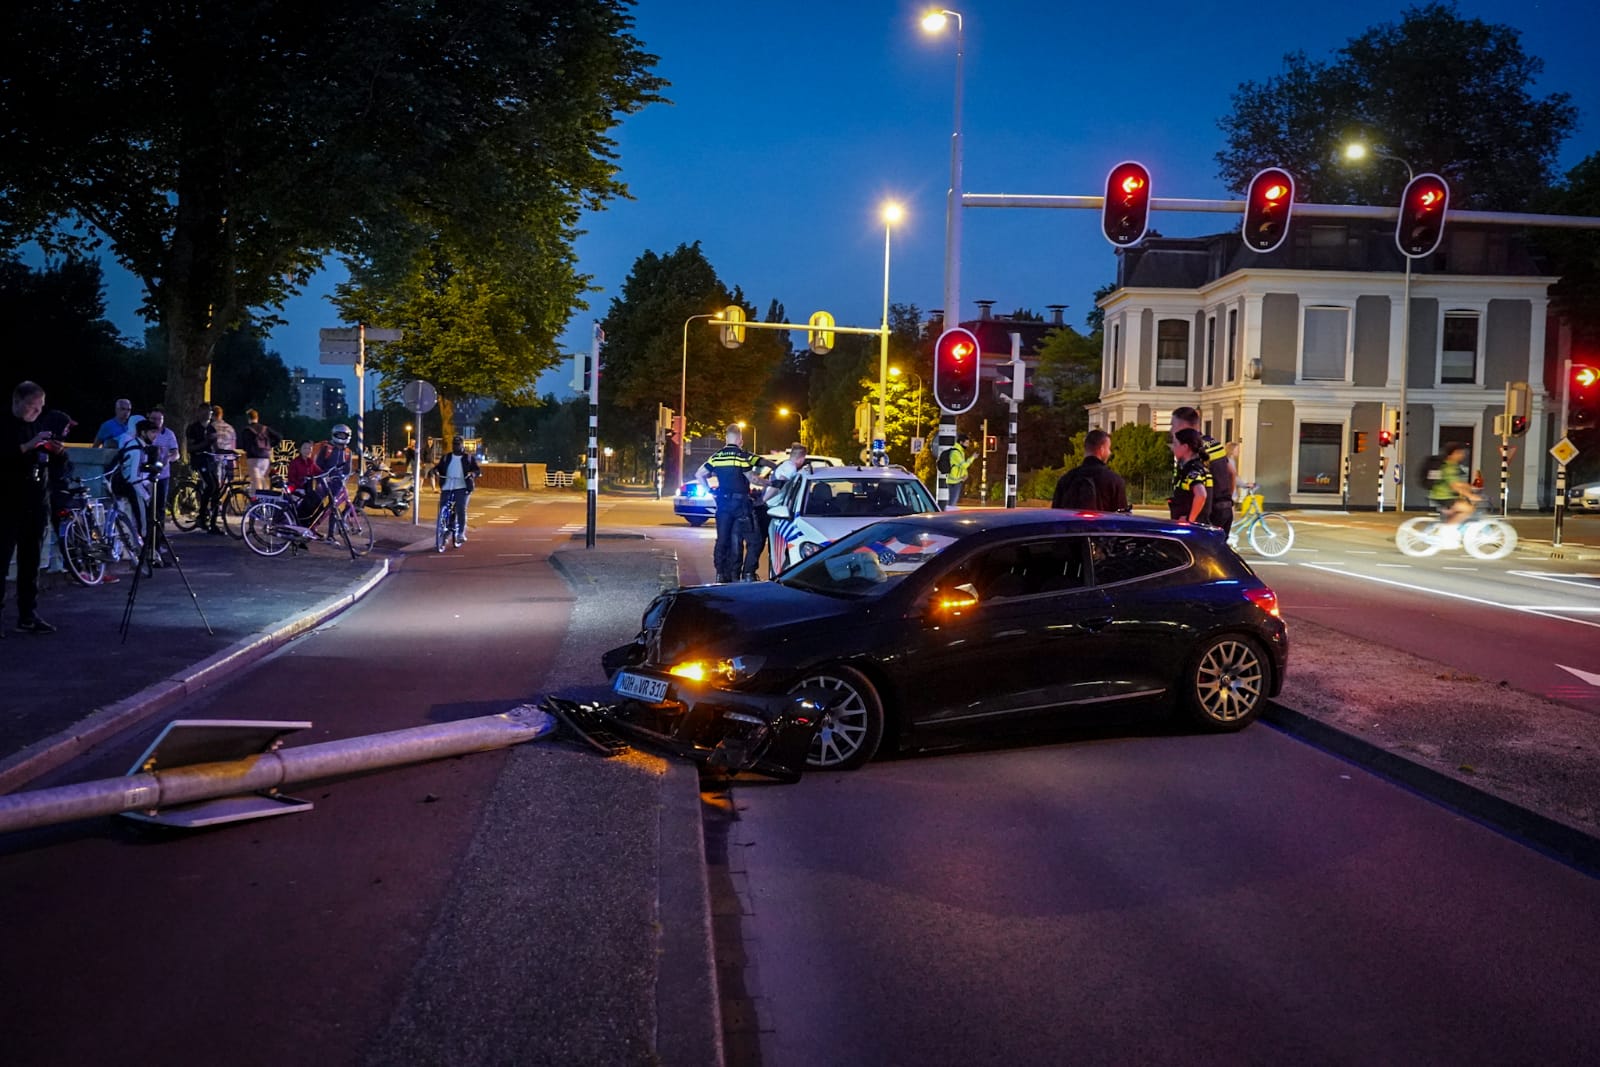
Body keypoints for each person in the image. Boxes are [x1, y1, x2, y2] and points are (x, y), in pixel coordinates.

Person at [3, 381, 57, 635]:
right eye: (32, 407)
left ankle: (28, 613)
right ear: (17, 402)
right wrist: (30, 445)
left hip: (36, 501)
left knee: (31, 560)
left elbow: (47, 460)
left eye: (40, 407)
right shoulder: (8, 426)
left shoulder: (37, 425)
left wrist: (56, 452)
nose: (37, 412)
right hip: (10, 502)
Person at [696, 424, 772, 582]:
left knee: (724, 539)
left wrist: (710, 491)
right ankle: (748, 573)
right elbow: (753, 478)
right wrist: (772, 484)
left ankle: (722, 574)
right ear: (740, 439)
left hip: (723, 505)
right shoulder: (740, 456)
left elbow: (700, 474)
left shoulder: (717, 456)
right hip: (741, 505)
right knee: (754, 539)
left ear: (726, 438)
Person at [1170, 407, 1235, 534]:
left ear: (1183, 425)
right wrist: (1227, 500)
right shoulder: (1214, 443)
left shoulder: (1194, 449)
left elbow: (1200, 493)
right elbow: (1231, 472)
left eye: (1173, 425)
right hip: (1225, 508)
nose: (1171, 429)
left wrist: (1190, 519)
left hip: (1208, 513)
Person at [1052, 429, 1129, 512]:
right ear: (1102, 449)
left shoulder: (1066, 479)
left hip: (1071, 524)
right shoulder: (1115, 481)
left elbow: (1056, 515)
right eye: (1109, 448)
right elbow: (1122, 518)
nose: (1110, 452)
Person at [432, 434, 480, 547]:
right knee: (443, 508)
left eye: (458, 444)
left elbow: (477, 470)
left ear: (462, 445)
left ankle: (460, 533)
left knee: (460, 508)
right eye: (454, 444)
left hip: (462, 486)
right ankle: (445, 534)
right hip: (447, 485)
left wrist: (472, 474)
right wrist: (434, 470)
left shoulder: (468, 458)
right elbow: (439, 467)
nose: (455, 447)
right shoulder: (446, 457)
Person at [185, 406, 223, 533]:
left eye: (210, 412)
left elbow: (216, 447)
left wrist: (228, 452)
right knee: (211, 485)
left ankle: (213, 523)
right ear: (199, 412)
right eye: (205, 412)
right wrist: (205, 443)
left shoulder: (211, 428)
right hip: (199, 460)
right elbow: (190, 448)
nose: (207, 415)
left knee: (217, 488)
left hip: (210, 461)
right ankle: (201, 516)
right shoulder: (193, 428)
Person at [145, 407, 180, 532]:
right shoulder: (145, 433)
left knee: (160, 507)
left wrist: (167, 459)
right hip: (146, 476)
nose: (155, 421)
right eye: (152, 418)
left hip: (162, 476)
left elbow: (176, 453)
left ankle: (159, 538)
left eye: (158, 419)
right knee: (147, 507)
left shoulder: (169, 434)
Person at [1169, 427, 1213, 525]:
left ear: (1185, 447)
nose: (1173, 447)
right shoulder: (1200, 466)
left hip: (1193, 529)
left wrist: (1190, 520)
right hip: (1199, 526)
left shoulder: (1192, 469)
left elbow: (1201, 495)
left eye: (1175, 444)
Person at [1431, 443, 1479, 527]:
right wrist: (1470, 495)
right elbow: (1454, 485)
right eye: (1460, 453)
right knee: (1469, 509)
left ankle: (1450, 526)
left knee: (1457, 511)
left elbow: (1457, 482)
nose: (1463, 455)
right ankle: (1448, 530)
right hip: (1444, 497)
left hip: (1443, 496)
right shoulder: (1449, 467)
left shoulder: (1452, 465)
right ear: (1453, 454)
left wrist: (1470, 487)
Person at [239, 409, 282, 491]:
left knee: (256, 480)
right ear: (257, 418)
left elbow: (243, 445)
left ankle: (257, 500)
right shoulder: (265, 428)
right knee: (263, 479)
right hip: (265, 458)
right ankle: (265, 500)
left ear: (248, 418)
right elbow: (279, 437)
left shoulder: (247, 430)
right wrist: (269, 446)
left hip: (253, 458)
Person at [940, 433, 973, 509]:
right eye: (966, 443)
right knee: (952, 503)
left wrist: (965, 474)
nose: (967, 445)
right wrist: (972, 458)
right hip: (954, 481)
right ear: (961, 442)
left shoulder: (960, 451)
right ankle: (947, 518)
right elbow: (964, 465)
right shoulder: (956, 452)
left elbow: (961, 466)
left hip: (957, 480)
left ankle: (948, 516)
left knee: (952, 502)